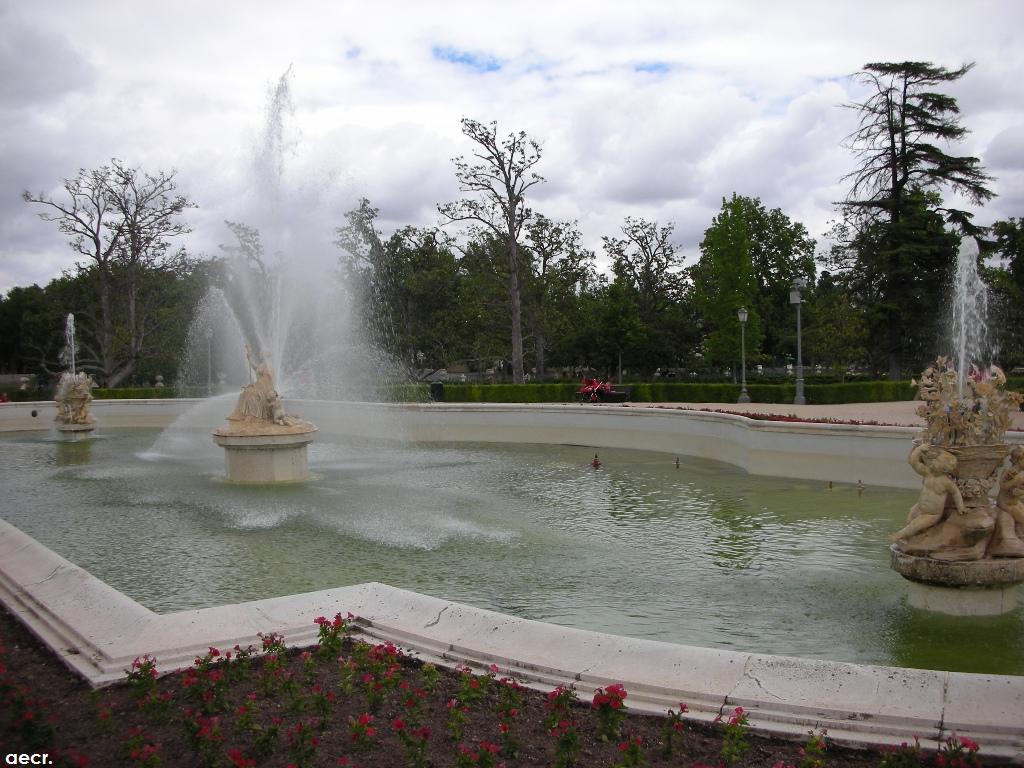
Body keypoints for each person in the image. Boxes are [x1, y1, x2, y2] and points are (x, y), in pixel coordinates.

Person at [891, 443, 966, 542]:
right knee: (910, 518)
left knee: (915, 524)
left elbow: (956, 493)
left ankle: (900, 535)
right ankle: (911, 537)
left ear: (945, 467)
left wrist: (960, 507)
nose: (933, 461)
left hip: (932, 514)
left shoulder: (946, 482)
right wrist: (919, 450)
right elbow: (914, 463)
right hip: (920, 507)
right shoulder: (928, 473)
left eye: (937, 460)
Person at [228, 344, 277, 421]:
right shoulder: (262, 365)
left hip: (265, 389)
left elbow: (267, 380)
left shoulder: (268, 365)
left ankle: (254, 414)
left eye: (262, 352)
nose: (260, 353)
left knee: (250, 393)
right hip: (259, 387)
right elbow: (254, 367)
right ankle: (249, 413)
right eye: (261, 352)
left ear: (266, 354)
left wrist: (255, 385)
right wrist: (249, 356)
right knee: (245, 392)